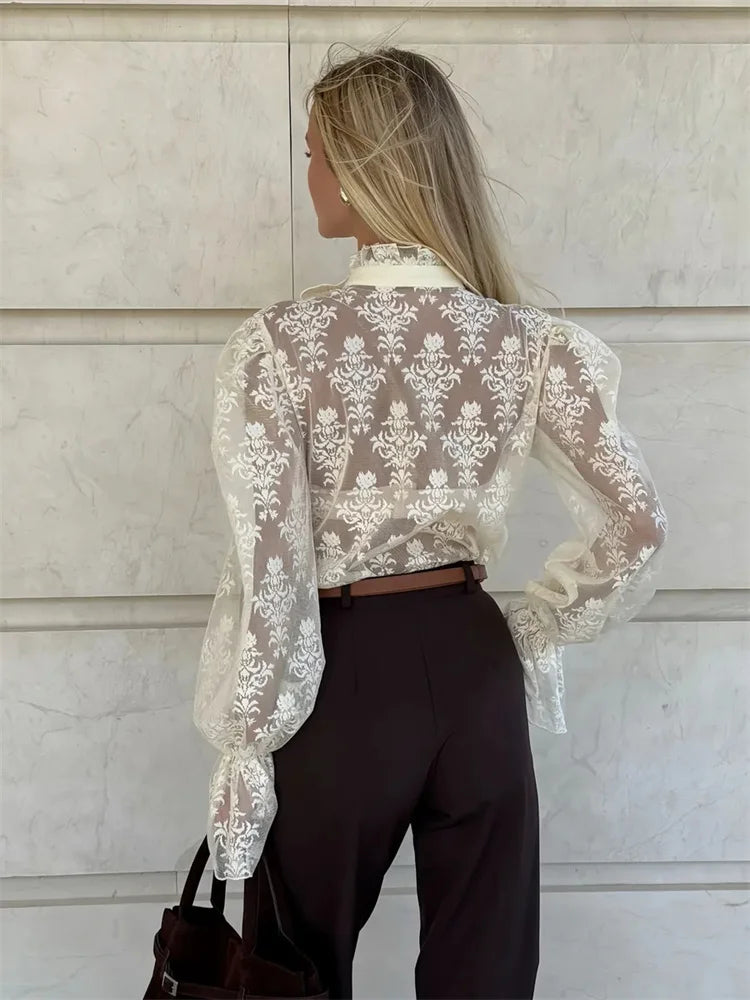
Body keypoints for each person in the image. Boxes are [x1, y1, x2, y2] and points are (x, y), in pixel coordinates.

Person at [192, 45, 668, 999]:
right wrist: (525, 629)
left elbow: (272, 566)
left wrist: (247, 739)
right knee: (484, 969)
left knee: (290, 967)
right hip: (471, 658)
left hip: (340, 670)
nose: (311, 173)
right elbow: (637, 524)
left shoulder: (279, 345)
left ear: (366, 166)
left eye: (318, 152)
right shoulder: (531, 345)